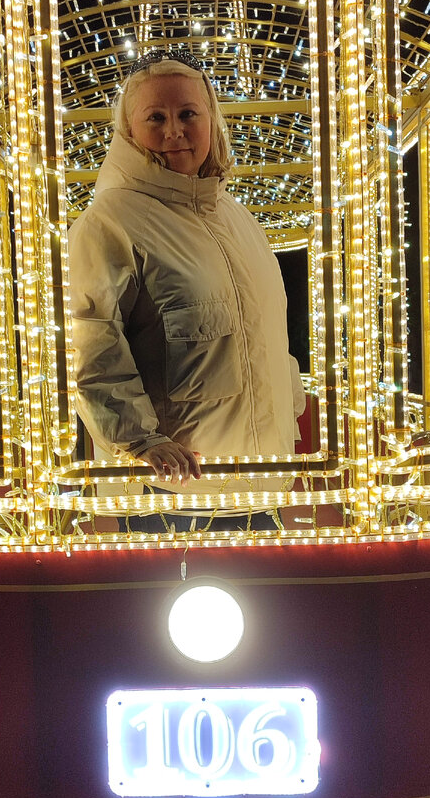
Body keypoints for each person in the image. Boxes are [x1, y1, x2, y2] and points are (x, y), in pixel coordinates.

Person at [68, 49, 305, 531]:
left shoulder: (238, 218)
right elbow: (91, 345)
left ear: (210, 120)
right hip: (169, 492)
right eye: (156, 116)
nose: (174, 131)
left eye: (188, 114)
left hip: (263, 481)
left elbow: (269, 336)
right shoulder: (108, 222)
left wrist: (291, 417)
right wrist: (140, 442)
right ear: (129, 131)